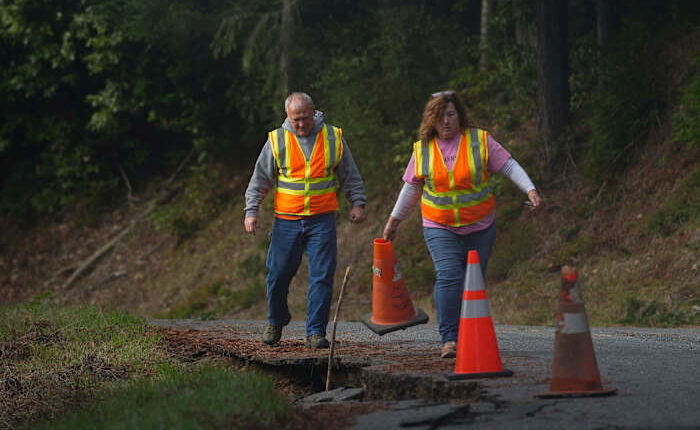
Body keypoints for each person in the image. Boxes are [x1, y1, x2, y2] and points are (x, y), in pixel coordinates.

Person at [382, 91, 541, 358]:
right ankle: (449, 340)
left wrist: (531, 190)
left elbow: (508, 166)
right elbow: (410, 189)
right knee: (449, 277)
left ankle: (470, 336)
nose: (446, 121)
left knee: (472, 284)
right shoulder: (423, 150)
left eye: (451, 114)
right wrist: (393, 222)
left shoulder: (479, 141)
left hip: (480, 228)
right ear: (430, 119)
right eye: (440, 116)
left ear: (460, 116)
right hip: (439, 226)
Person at [244, 92, 366, 349]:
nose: (300, 124)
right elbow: (260, 180)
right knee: (277, 275)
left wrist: (357, 202)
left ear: (314, 113)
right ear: (288, 117)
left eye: (305, 118)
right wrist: (251, 210)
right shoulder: (277, 140)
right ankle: (276, 320)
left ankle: (315, 332)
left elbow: (349, 174)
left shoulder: (333, 137)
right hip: (286, 221)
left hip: (322, 220)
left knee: (322, 274)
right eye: (295, 119)